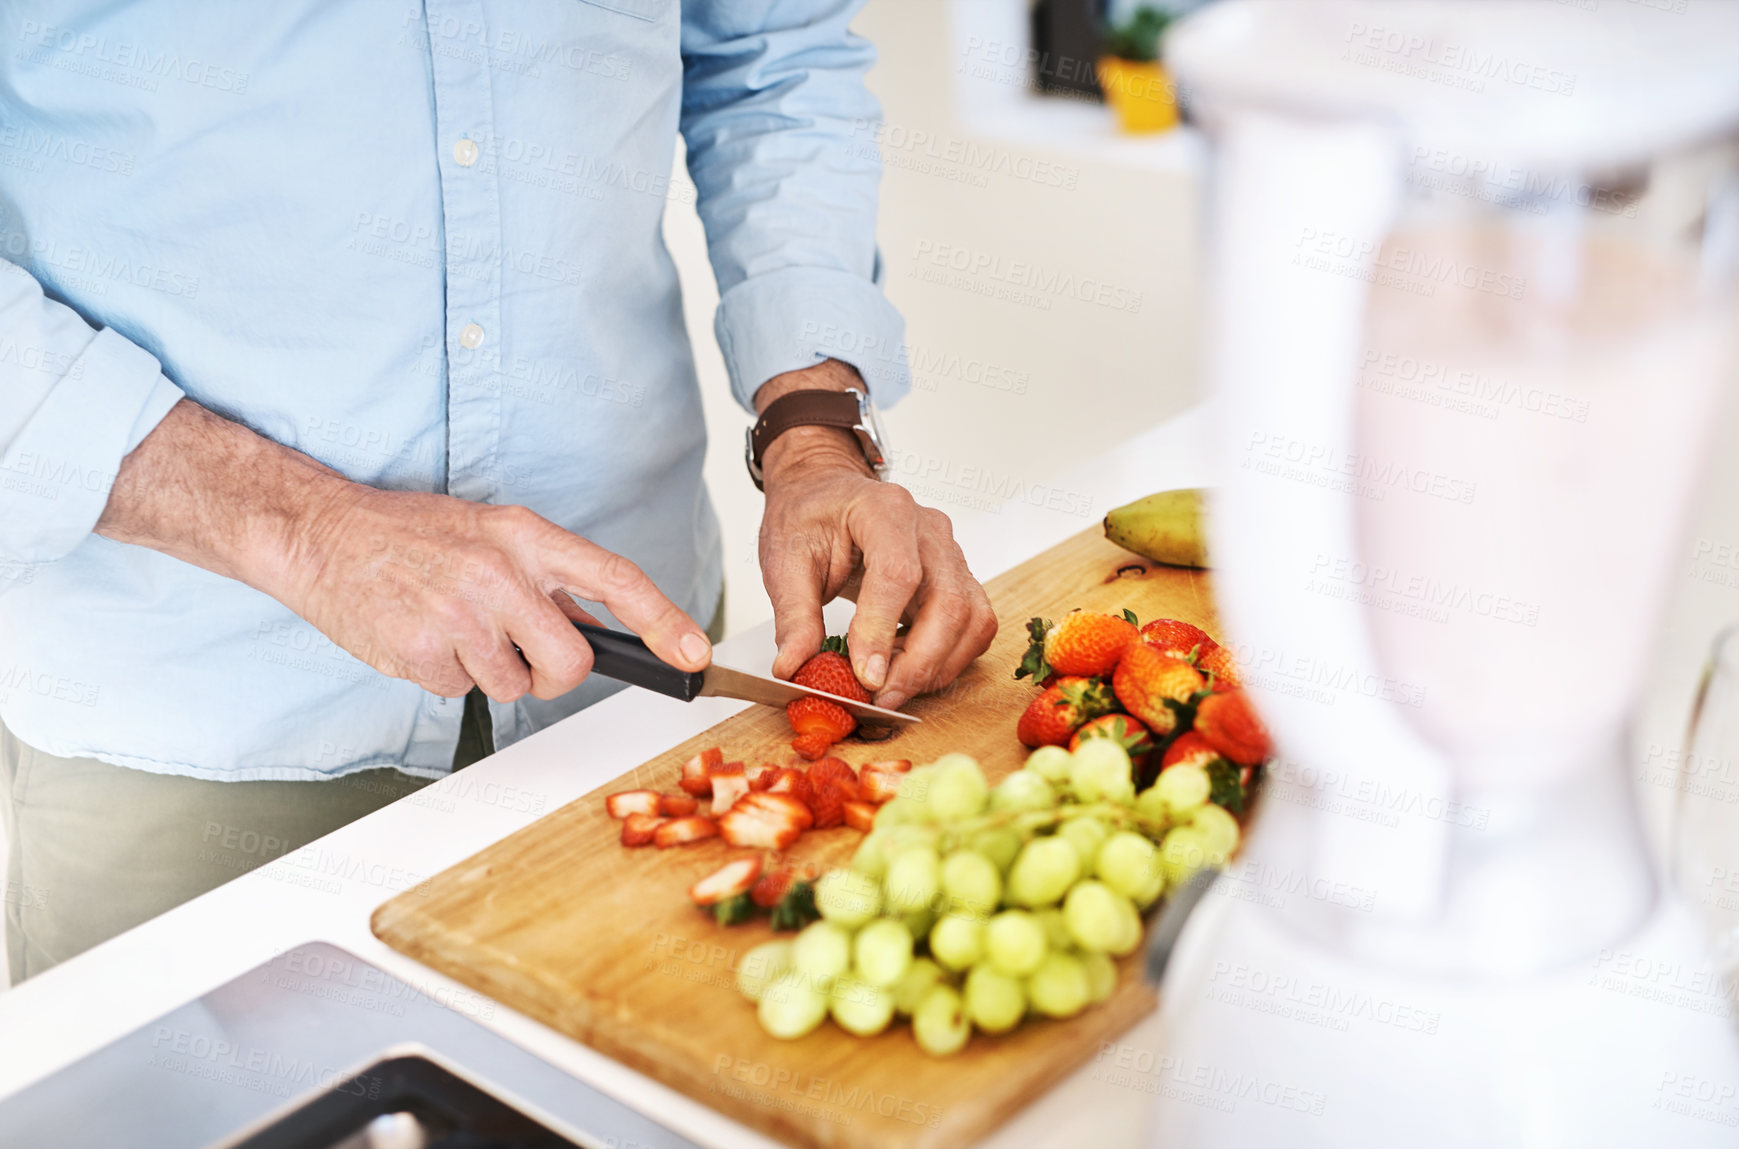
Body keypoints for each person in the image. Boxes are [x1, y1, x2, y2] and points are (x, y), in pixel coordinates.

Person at [0, 1, 997, 982]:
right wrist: (303, 531)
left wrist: (810, 431)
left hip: (635, 686)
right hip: (195, 736)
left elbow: (771, 56)